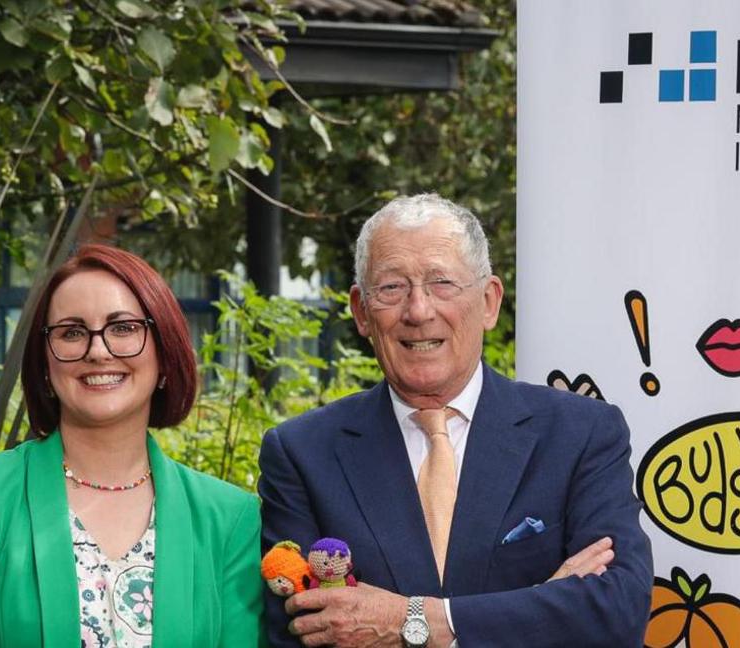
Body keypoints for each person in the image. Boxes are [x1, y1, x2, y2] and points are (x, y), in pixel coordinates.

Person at [259, 194, 653, 647]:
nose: (418, 310)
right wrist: (541, 604)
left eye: (442, 283)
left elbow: (616, 612)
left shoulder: (580, 433)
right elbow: (301, 636)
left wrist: (412, 622)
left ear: (489, 302)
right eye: (391, 288)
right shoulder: (303, 453)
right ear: (361, 312)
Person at [0, 244, 263, 647]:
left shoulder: (230, 519)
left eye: (124, 328)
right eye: (72, 332)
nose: (97, 351)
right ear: (44, 364)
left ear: (164, 355)